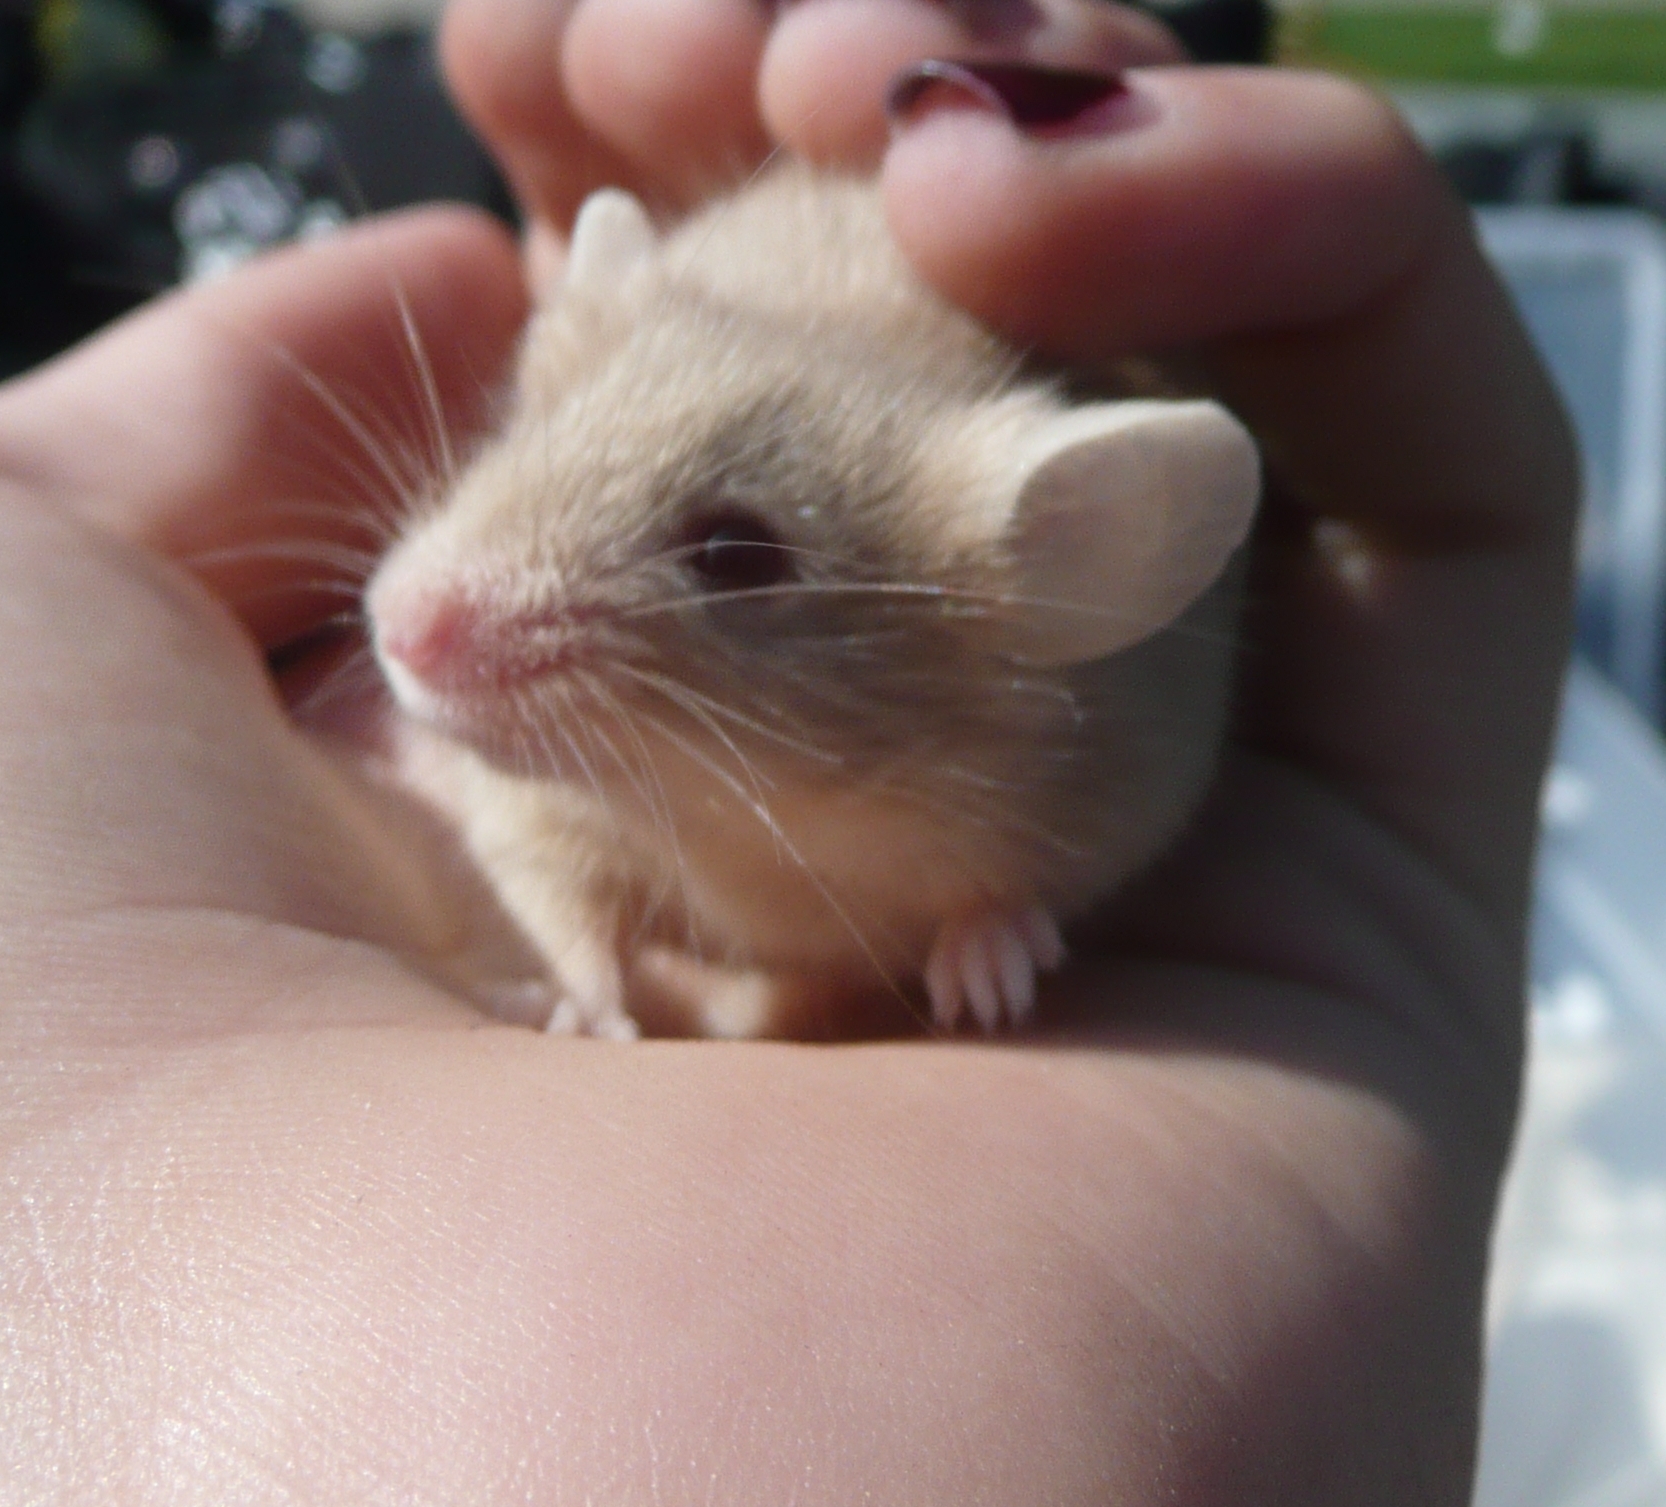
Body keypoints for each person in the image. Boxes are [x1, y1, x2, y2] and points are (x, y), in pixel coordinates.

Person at [0, 0, 1576, 1500]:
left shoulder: (1038, 706)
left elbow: (1136, 771)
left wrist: (1000, 902)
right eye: (523, 439)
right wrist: (579, 960)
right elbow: (520, 819)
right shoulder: (573, 677)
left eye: (735, 559)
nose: (419, 619)